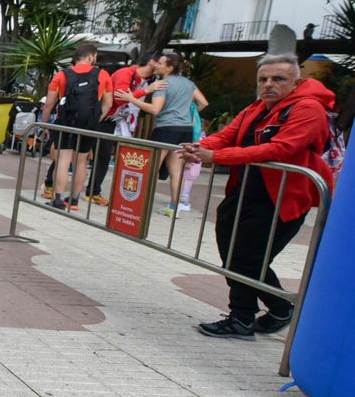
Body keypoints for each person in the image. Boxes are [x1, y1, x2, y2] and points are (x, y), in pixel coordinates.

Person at [181, 54, 334, 340]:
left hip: (282, 198)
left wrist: (217, 155)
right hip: (245, 191)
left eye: (278, 79)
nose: (268, 85)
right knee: (234, 256)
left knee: (248, 259)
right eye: (263, 79)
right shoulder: (257, 108)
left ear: (296, 82)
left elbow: (282, 149)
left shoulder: (309, 109)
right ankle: (277, 308)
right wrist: (199, 146)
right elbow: (227, 134)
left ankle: (243, 317)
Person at [38, 42, 112, 211]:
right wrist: (96, 118)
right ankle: (74, 200)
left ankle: (57, 199)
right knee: (82, 162)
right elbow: (108, 104)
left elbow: (49, 103)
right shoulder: (103, 75)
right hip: (89, 124)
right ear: (91, 56)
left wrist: (43, 123)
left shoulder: (61, 75)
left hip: (66, 122)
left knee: (63, 160)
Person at [132, 51, 206, 216]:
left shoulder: (162, 84)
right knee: (176, 170)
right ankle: (174, 207)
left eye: (161, 63)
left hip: (166, 129)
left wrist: (132, 99)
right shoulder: (188, 83)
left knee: (153, 169)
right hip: (185, 130)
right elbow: (203, 102)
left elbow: (155, 109)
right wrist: (187, 114)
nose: (156, 64)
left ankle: (142, 205)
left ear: (169, 67)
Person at [85, 55, 163, 202]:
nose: (160, 66)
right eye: (159, 62)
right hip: (101, 118)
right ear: (151, 61)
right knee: (78, 152)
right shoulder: (126, 73)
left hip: (118, 121)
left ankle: (93, 192)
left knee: (103, 157)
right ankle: (50, 183)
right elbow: (119, 98)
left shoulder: (149, 80)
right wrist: (146, 91)